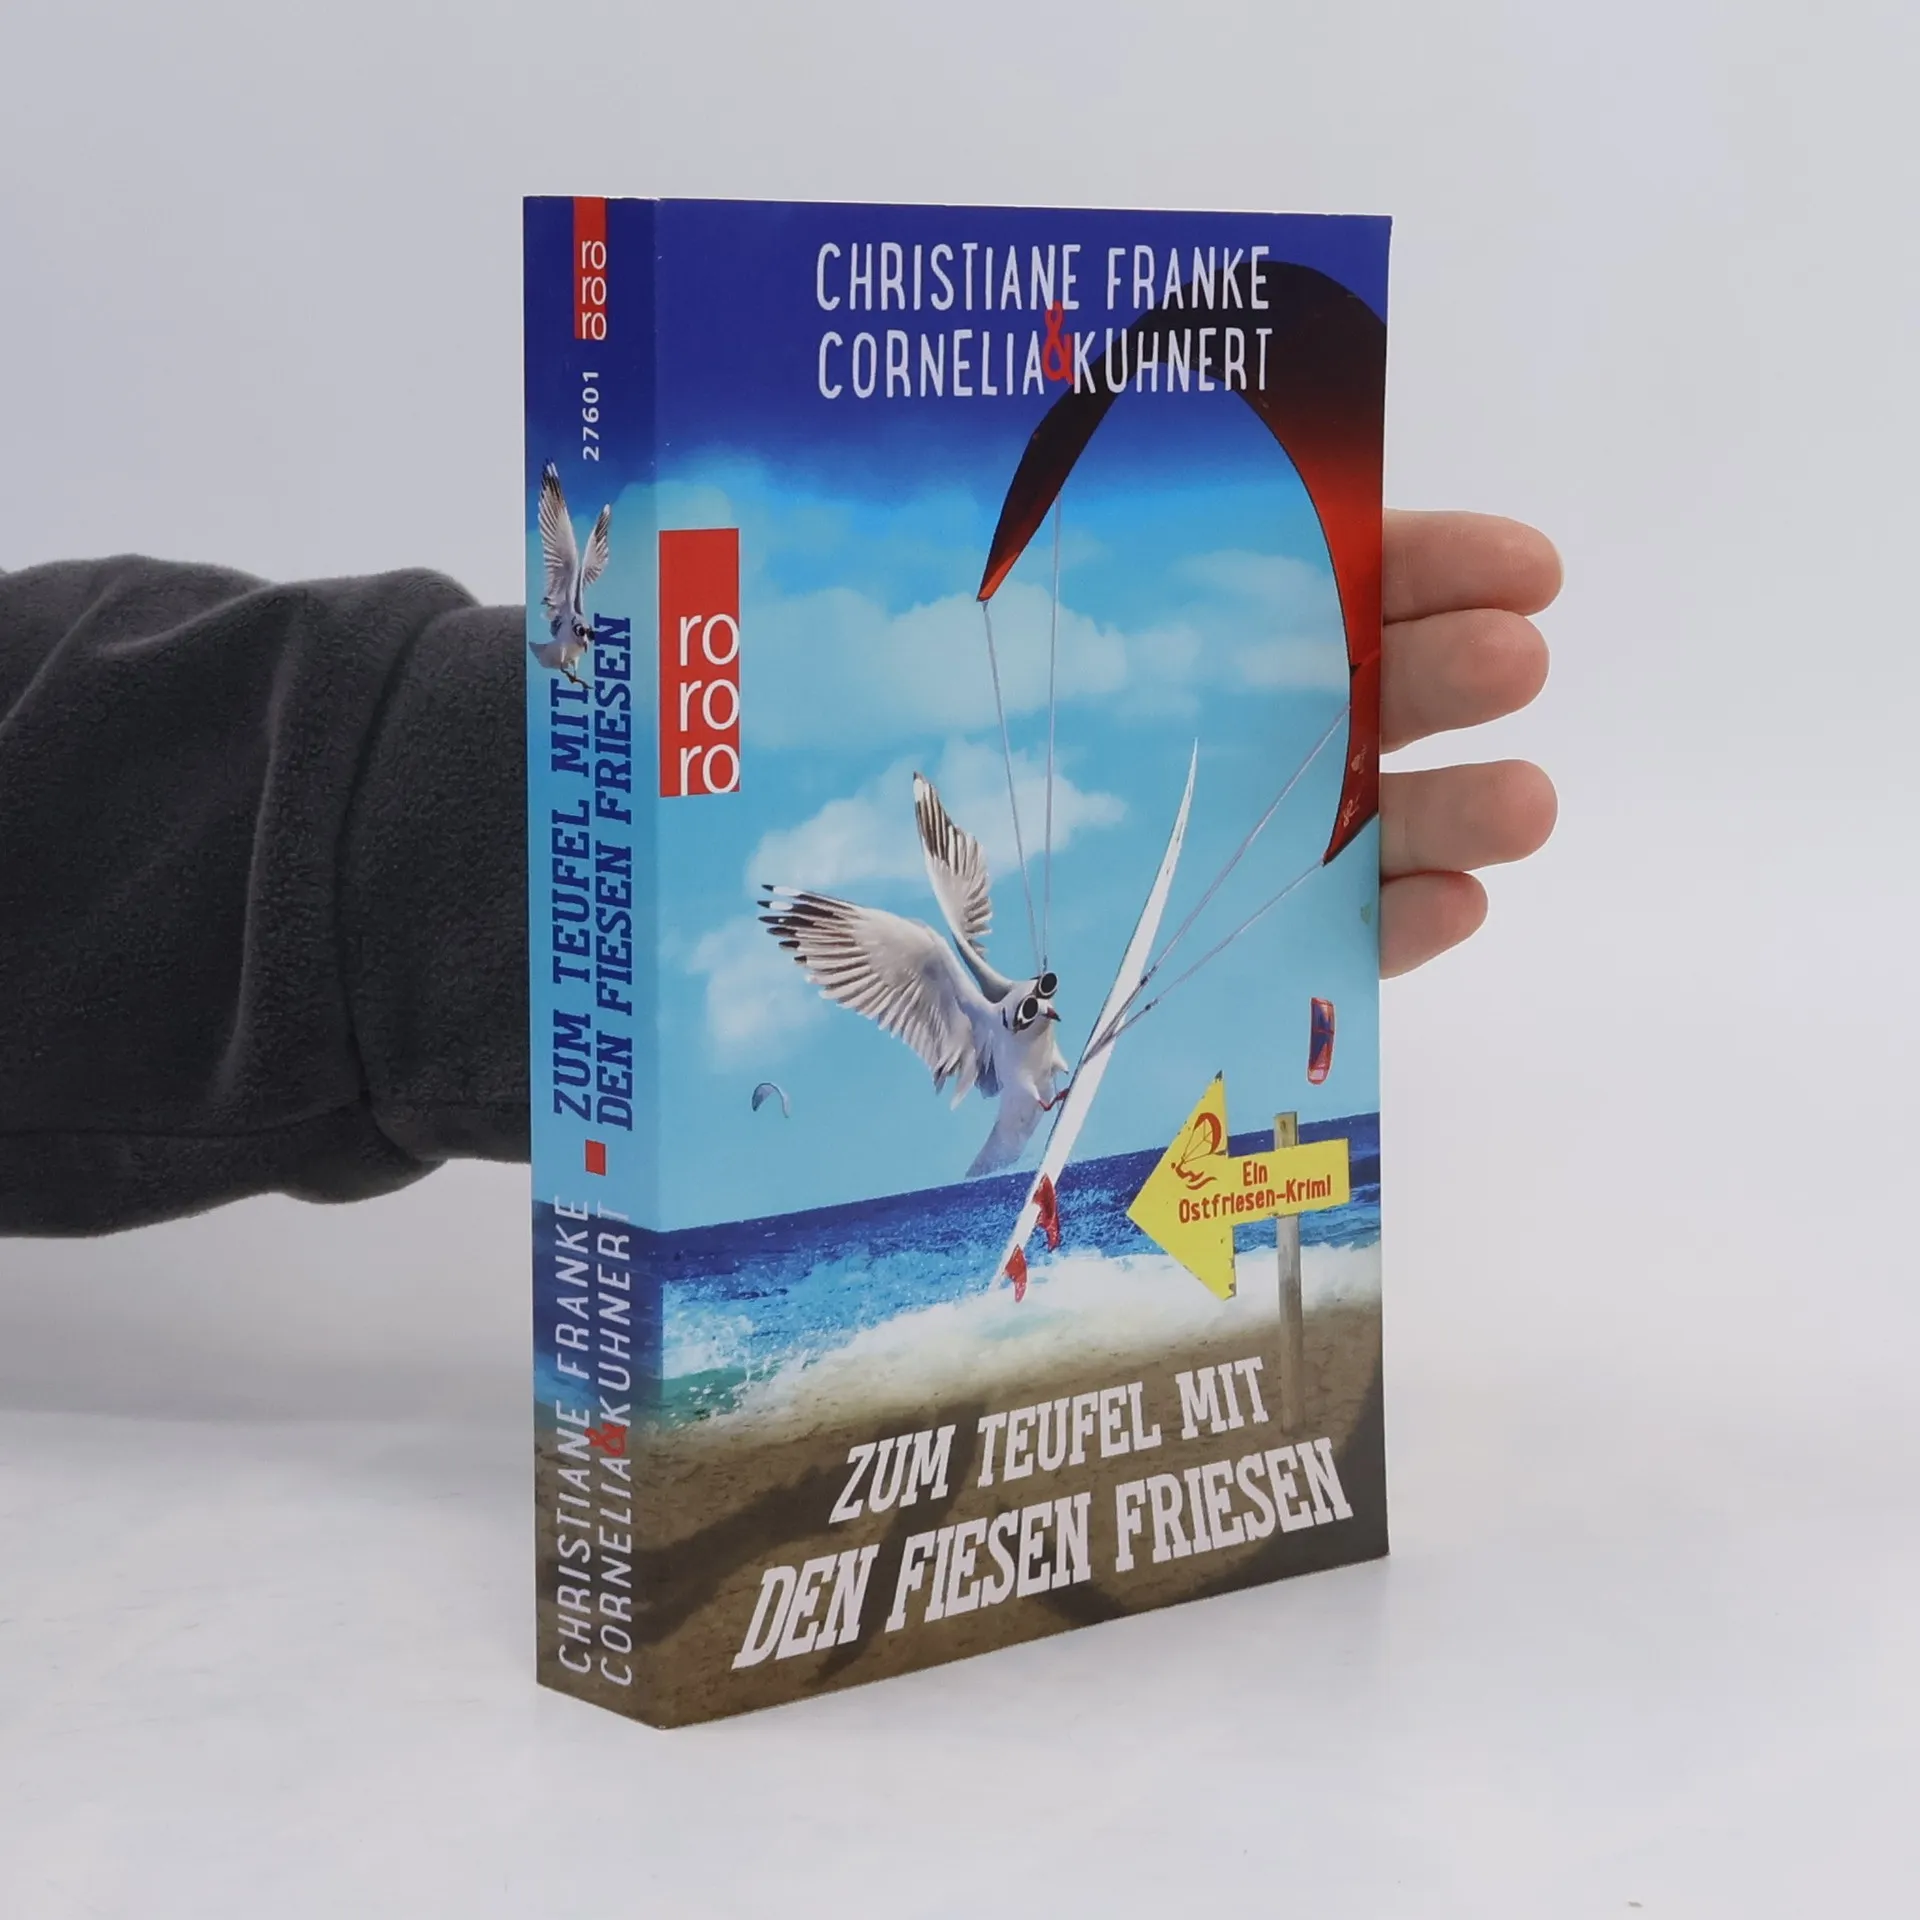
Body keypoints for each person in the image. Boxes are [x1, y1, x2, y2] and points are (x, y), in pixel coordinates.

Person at [0, 512, 1558, 1235]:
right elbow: (904, 942)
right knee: (941, 956)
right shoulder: (968, 997)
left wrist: (524, 787)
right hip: (996, 1115)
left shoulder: (1015, 971)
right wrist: (523, 842)